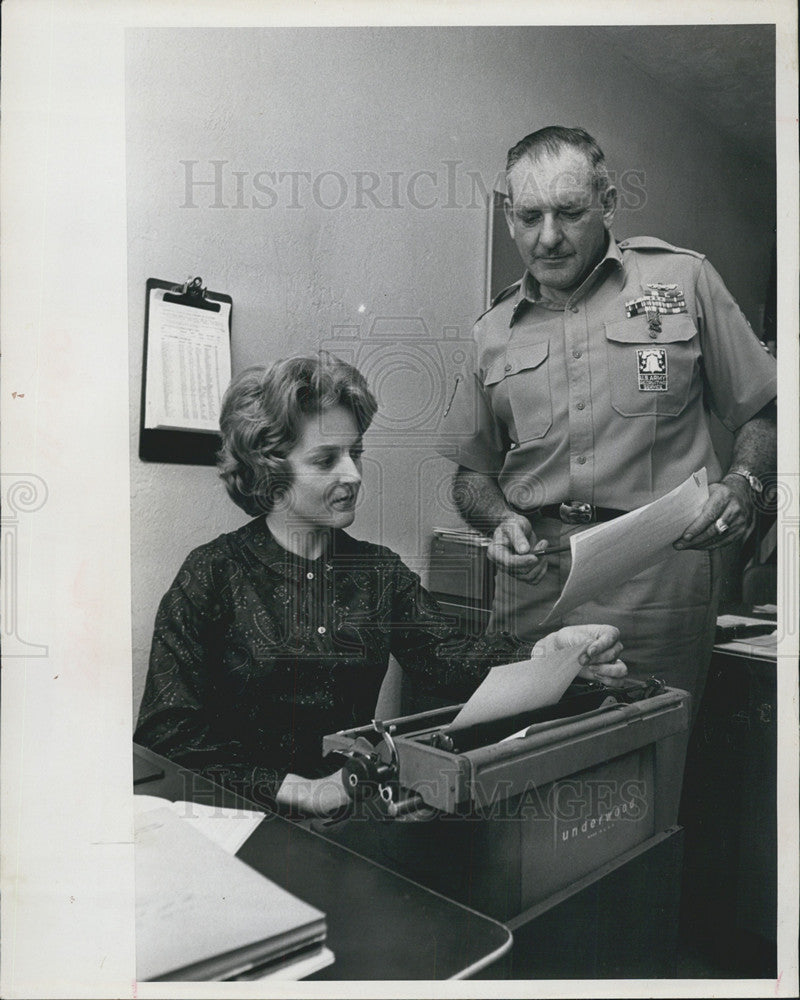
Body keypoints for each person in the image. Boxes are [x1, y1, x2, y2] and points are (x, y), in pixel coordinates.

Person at [135, 354, 626, 817]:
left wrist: (546, 654)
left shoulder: (378, 573)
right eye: (327, 459)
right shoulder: (212, 573)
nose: (353, 474)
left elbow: (453, 659)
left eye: (356, 453)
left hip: (348, 817)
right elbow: (166, 734)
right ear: (271, 469)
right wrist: (299, 788)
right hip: (237, 817)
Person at [436, 126, 776, 704]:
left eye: (569, 213)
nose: (547, 238)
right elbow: (472, 476)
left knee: (647, 768)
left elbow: (762, 411)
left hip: (661, 588)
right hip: (536, 592)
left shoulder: (682, 281)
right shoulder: (492, 330)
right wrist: (499, 522)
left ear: (608, 203)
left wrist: (743, 485)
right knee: (523, 764)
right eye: (527, 217)